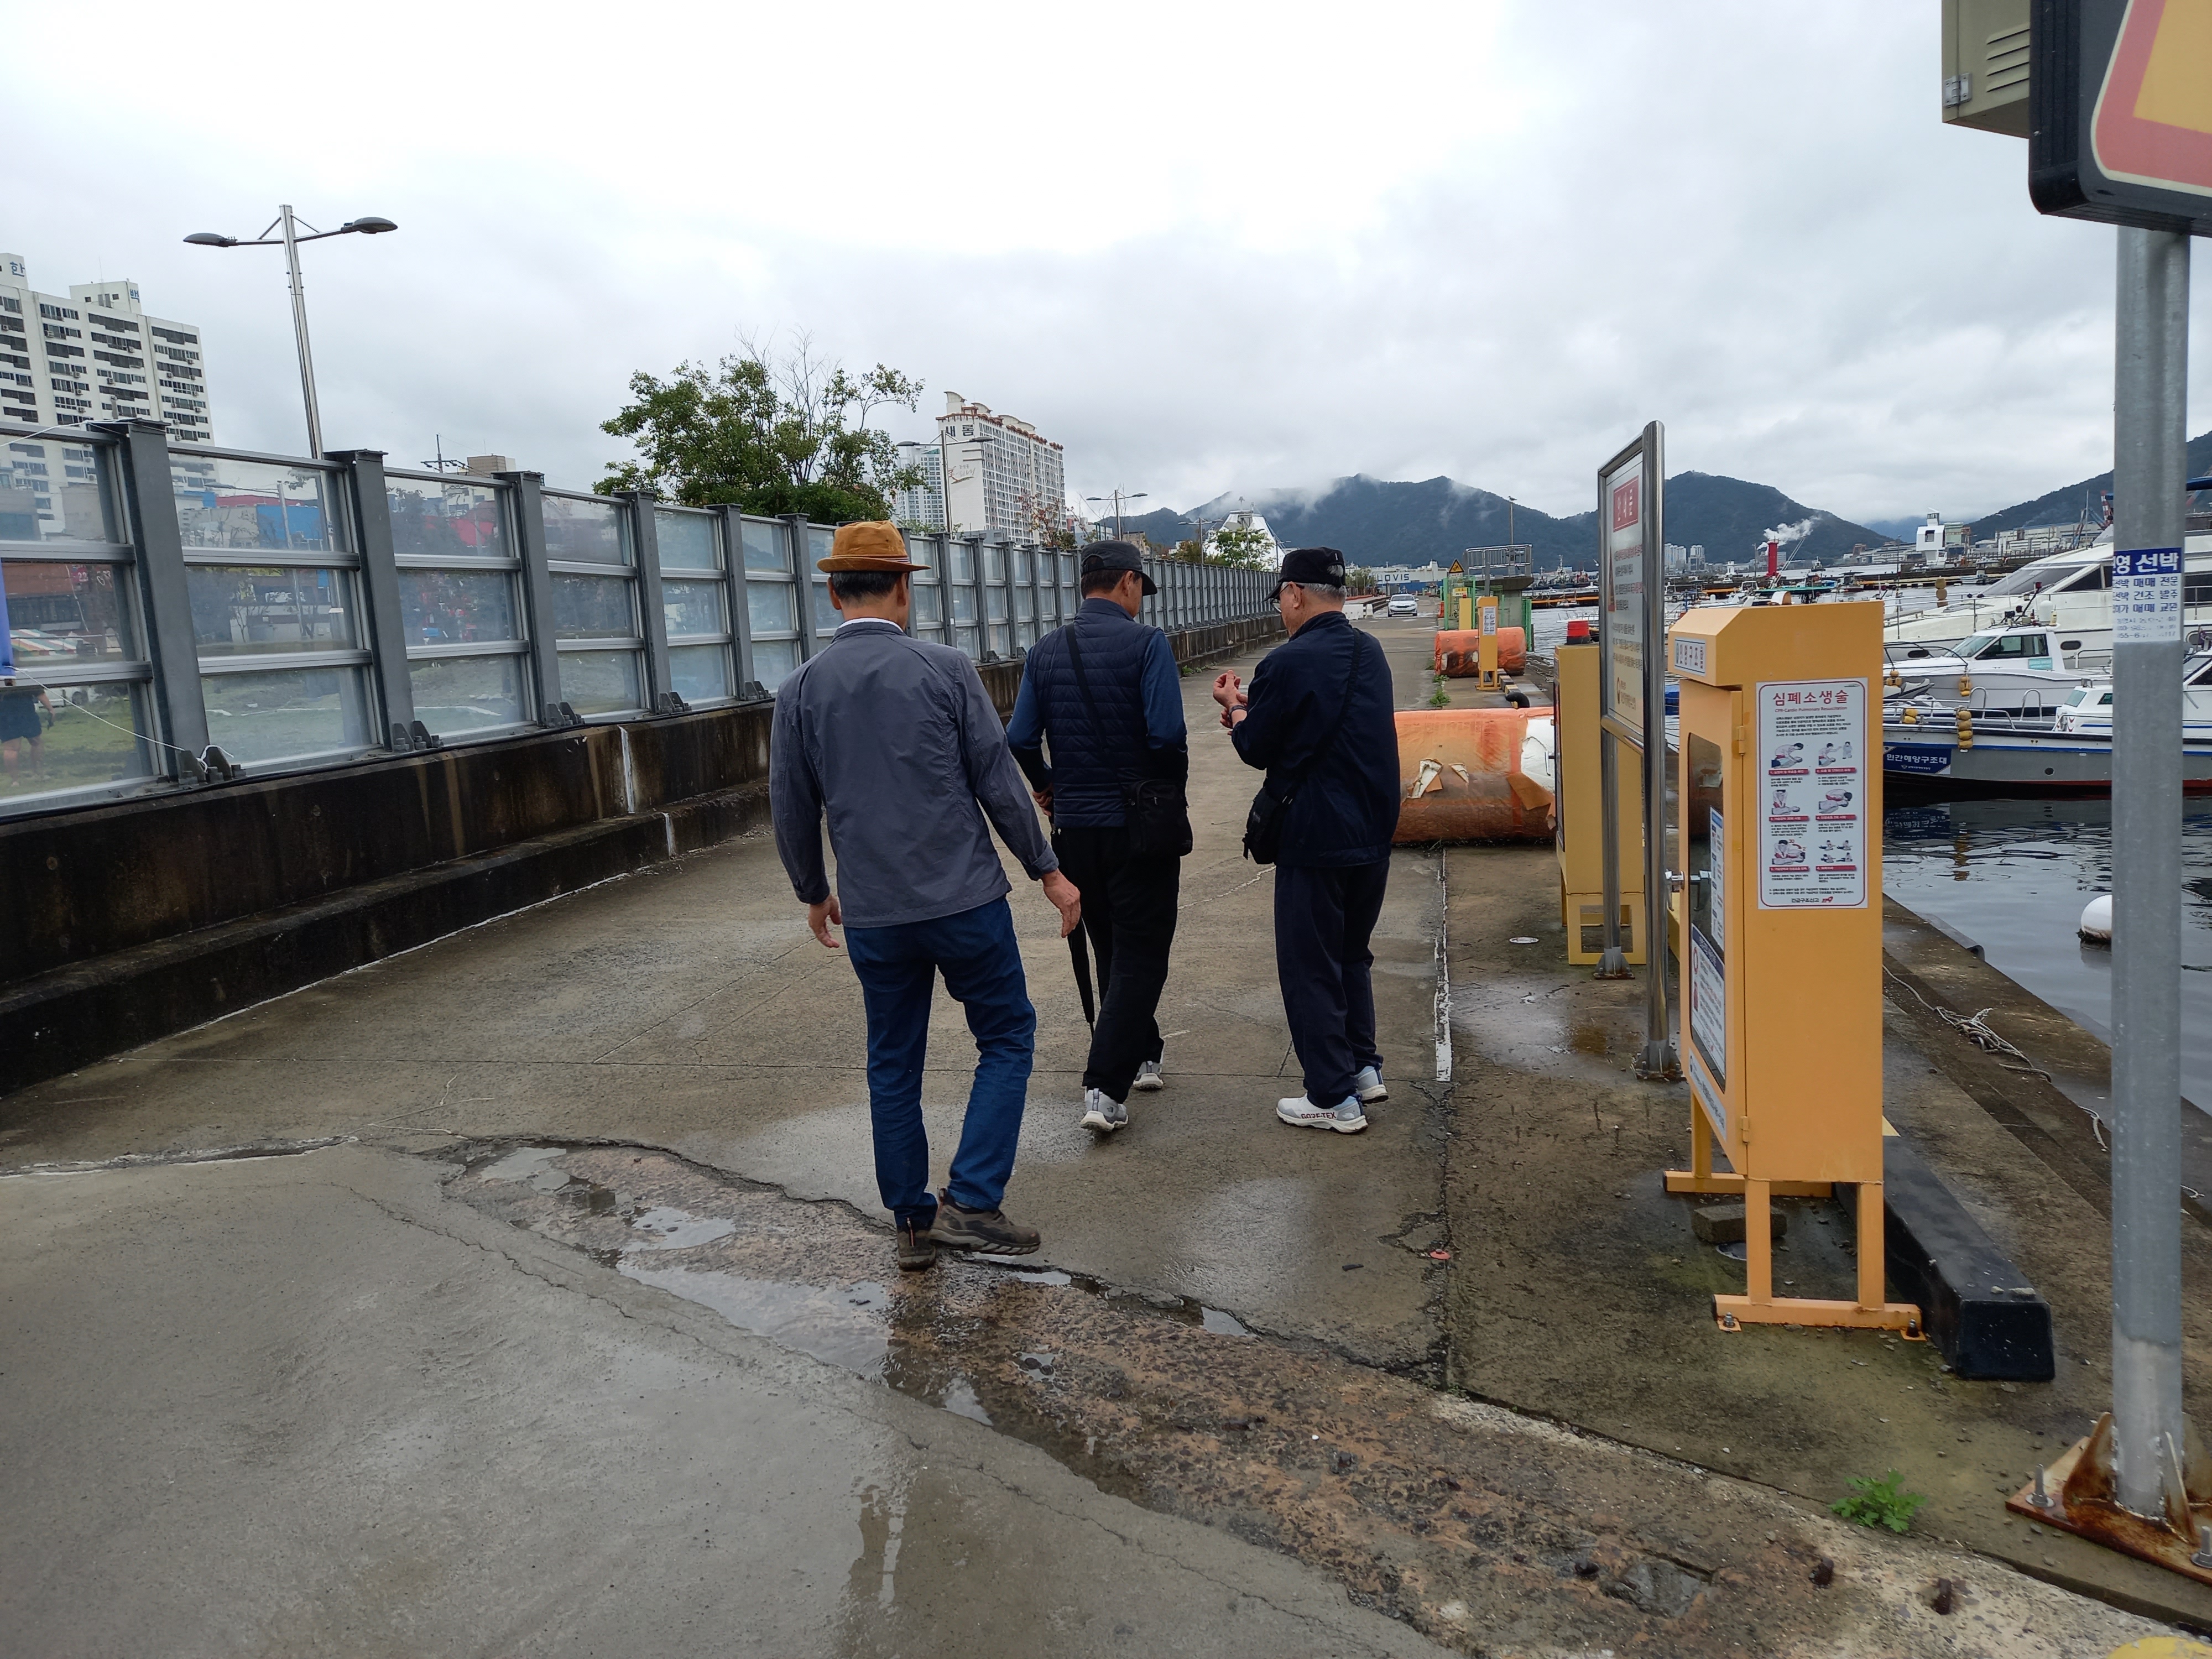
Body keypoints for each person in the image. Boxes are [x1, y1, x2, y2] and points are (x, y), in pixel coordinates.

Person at [770, 521, 1082, 1272]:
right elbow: (997, 781)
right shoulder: (945, 669)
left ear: (833, 592)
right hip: (964, 900)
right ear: (904, 589)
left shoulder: (800, 688)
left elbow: (790, 803)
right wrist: (1046, 869)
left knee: (892, 1061)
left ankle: (912, 1224)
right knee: (1005, 1036)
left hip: (874, 912)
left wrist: (814, 890)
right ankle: (972, 1200)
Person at [1212, 546, 1399, 1135]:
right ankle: (1362, 1068)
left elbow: (1256, 748)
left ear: (1294, 593)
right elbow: (1328, 720)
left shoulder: (1286, 662)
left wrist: (1236, 710)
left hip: (1315, 835)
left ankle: (1331, 1097)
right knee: (1351, 955)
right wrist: (1256, 708)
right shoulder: (1370, 652)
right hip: (1372, 831)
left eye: (1281, 598)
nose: (1281, 608)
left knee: (1309, 966)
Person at [1006, 541, 1189, 1135]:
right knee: (1143, 953)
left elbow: (1019, 738)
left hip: (1075, 831)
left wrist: (1047, 784)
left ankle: (1144, 1051)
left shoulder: (1045, 650)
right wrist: (1166, 792)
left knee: (1111, 945)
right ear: (1129, 583)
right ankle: (1105, 1087)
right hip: (1137, 830)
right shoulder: (1148, 645)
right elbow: (1166, 736)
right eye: (1141, 589)